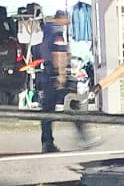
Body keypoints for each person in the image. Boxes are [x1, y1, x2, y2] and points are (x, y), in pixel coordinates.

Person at [38, 9, 86, 152]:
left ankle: (47, 142)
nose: (69, 21)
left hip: (47, 75)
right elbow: (58, 53)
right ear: (62, 18)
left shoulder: (46, 31)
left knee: (47, 111)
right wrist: (61, 74)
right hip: (56, 76)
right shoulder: (58, 33)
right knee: (72, 104)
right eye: (67, 18)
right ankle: (84, 137)